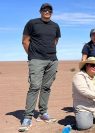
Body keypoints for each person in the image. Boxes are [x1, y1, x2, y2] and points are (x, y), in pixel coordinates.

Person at [19, 3, 61, 132]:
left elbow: (55, 41)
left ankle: (43, 113)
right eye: (44, 9)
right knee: (35, 87)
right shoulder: (32, 23)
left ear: (52, 12)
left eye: (49, 10)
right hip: (37, 60)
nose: (47, 11)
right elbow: (25, 41)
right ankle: (28, 116)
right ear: (40, 11)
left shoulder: (55, 26)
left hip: (52, 60)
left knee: (46, 87)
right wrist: (32, 56)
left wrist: (49, 53)